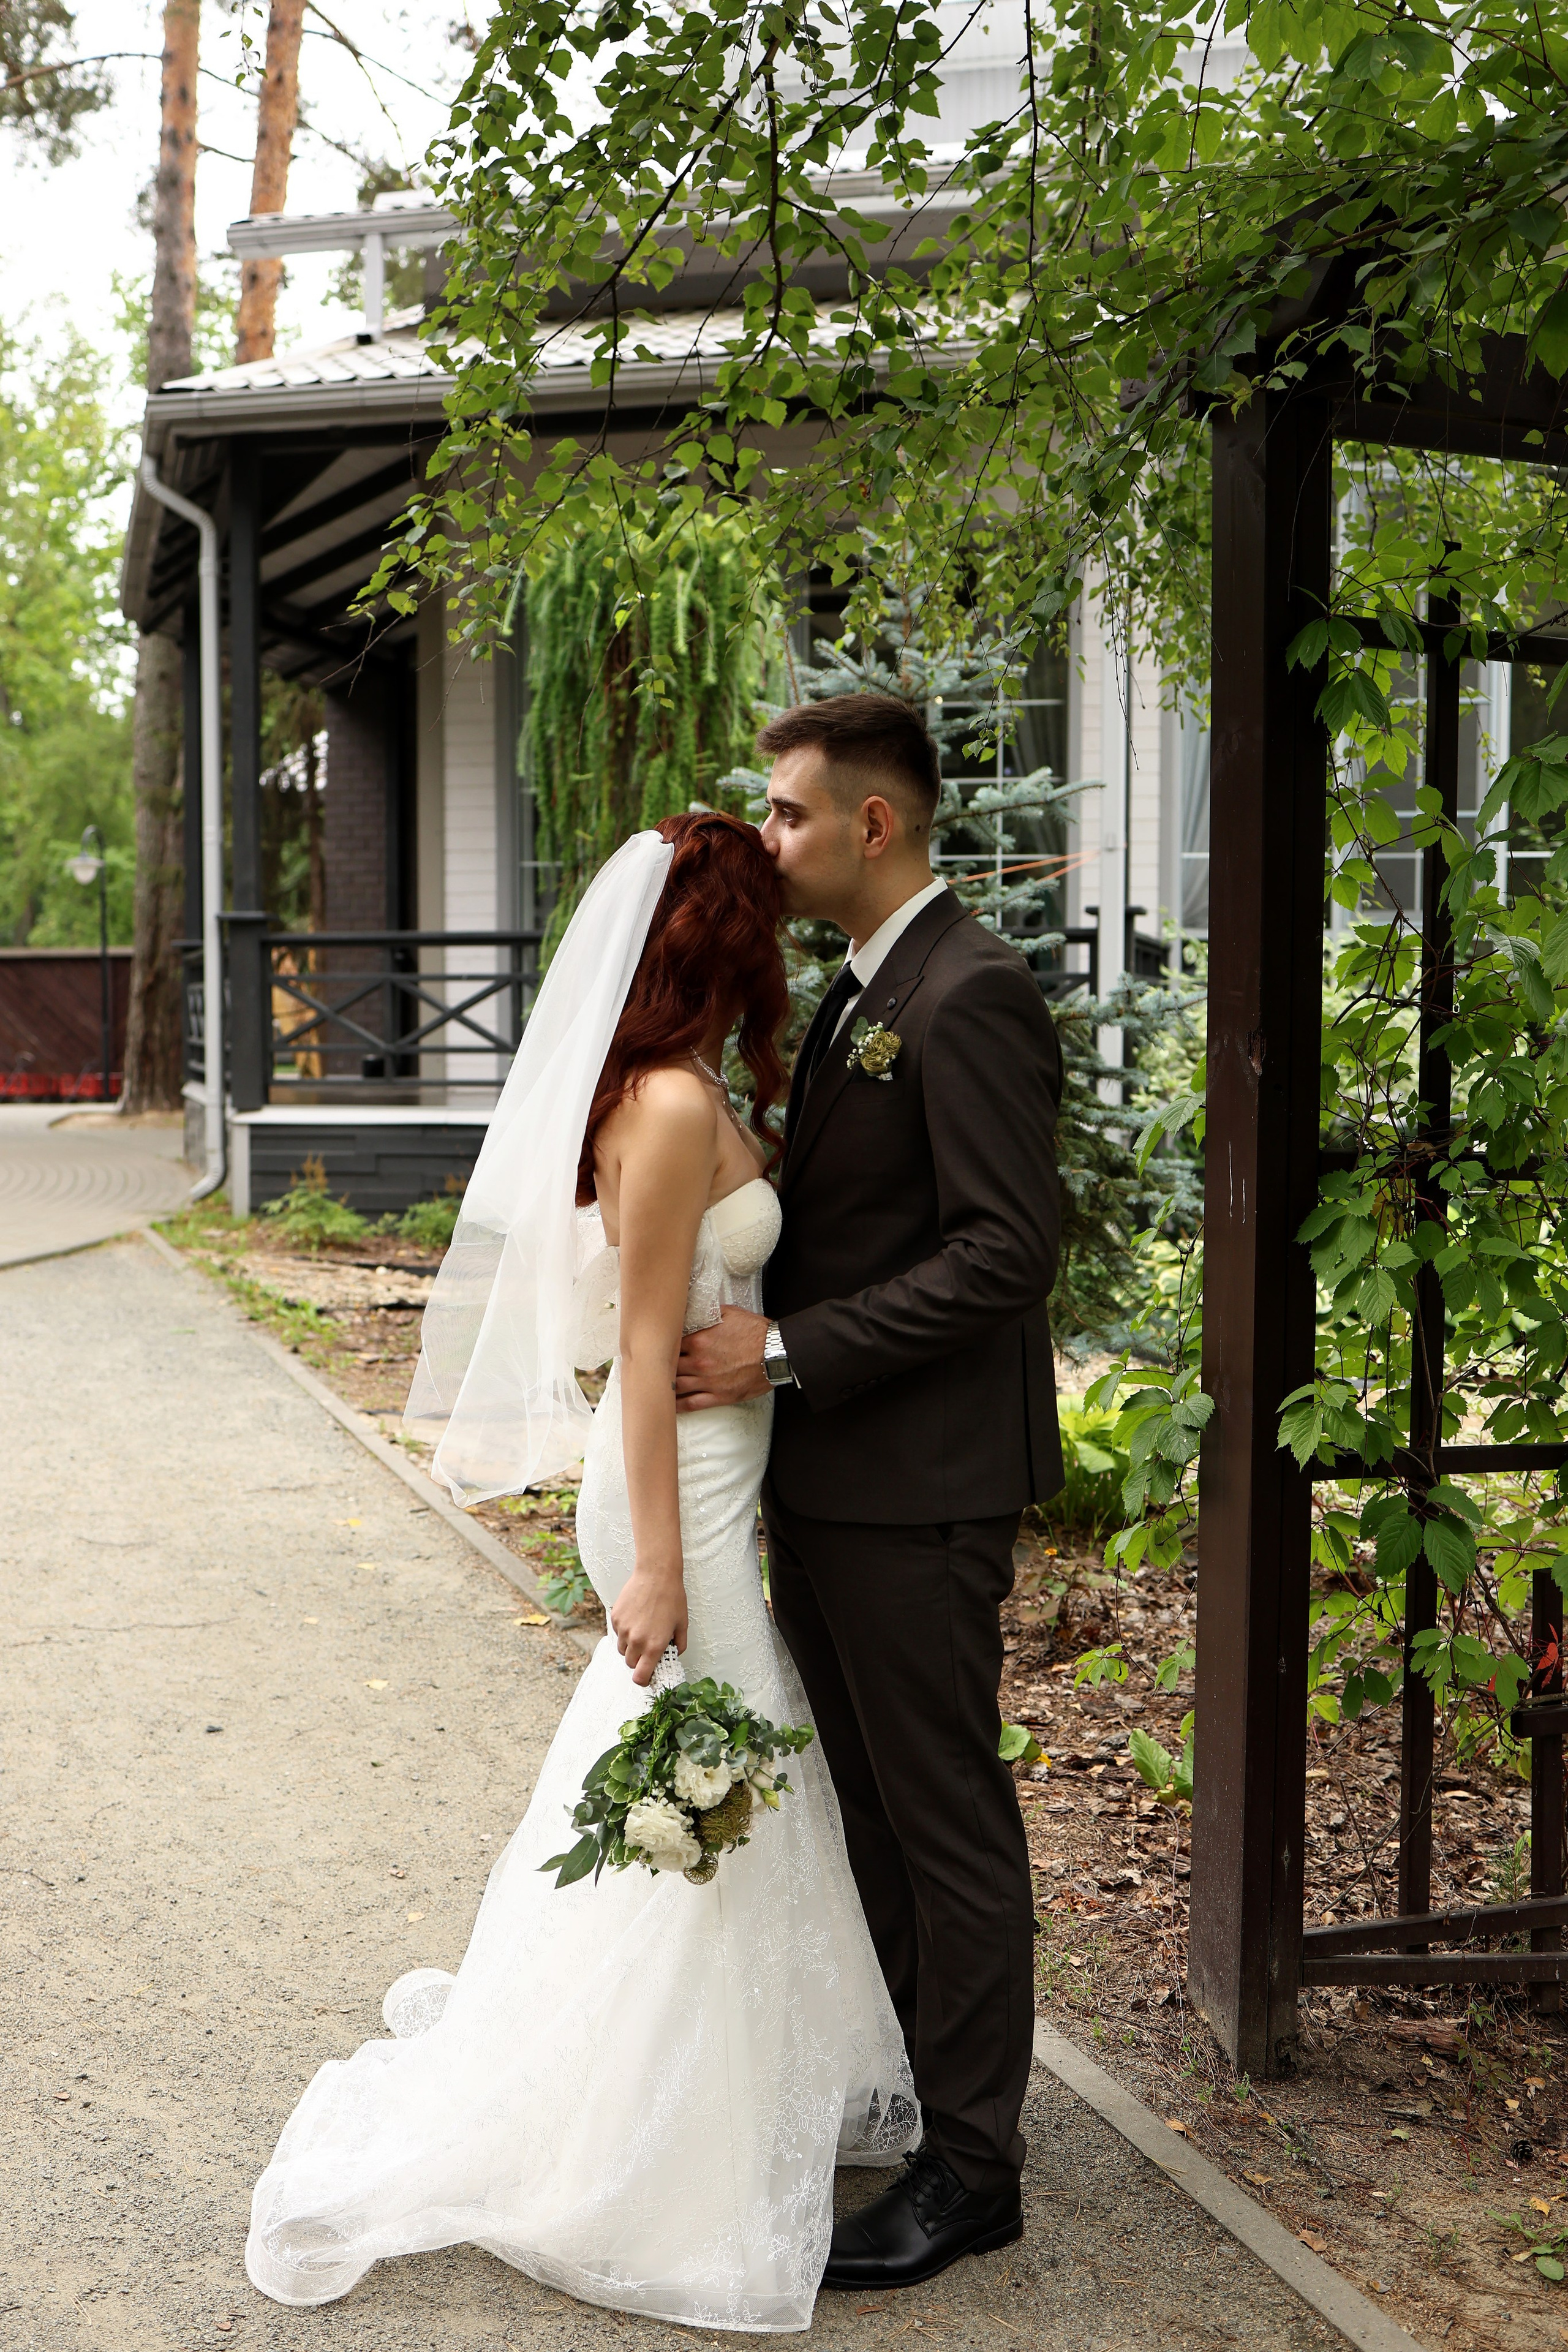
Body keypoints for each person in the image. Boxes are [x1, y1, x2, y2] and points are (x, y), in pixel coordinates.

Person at [243, 813, 917, 2332]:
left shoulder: (676, 1089)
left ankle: (701, 2101)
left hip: (709, 1478)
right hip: (671, 1493)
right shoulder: (670, 1106)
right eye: (765, 920)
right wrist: (662, 1572)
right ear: (722, 939)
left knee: (714, 1790)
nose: (783, 941)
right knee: (707, 1788)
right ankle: (643, 2143)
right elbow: (635, 1342)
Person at [676, 695, 1064, 2291]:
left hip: (924, 1488)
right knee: (879, 1827)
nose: (770, 839)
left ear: (871, 827)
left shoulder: (968, 993)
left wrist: (786, 1352)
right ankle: (916, 2093)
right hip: (835, 1488)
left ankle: (976, 2172)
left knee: (946, 1823)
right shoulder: (859, 993)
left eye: (783, 815)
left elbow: (1005, 1251)